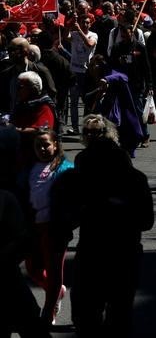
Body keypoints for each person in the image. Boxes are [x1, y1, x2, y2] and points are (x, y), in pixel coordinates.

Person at [58, 115, 153, 337]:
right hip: (124, 254)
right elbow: (146, 222)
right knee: (118, 315)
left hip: (94, 253)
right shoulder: (136, 180)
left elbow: (68, 216)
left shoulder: (82, 179)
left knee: (88, 315)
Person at [0, 126, 51, 338]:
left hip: (8, 274)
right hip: (6, 277)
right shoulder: (7, 195)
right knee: (29, 322)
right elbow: (23, 240)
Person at [25, 129, 73, 326]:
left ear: (55, 144)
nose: (42, 149)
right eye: (38, 146)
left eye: (46, 144)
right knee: (32, 267)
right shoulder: (31, 167)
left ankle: (48, 312)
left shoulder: (65, 168)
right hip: (35, 226)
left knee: (54, 272)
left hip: (55, 228)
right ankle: (57, 291)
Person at [67, 15, 98, 135]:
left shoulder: (93, 35)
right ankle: (74, 127)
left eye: (87, 23)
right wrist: (70, 25)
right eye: (83, 22)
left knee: (87, 101)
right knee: (74, 102)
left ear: (90, 24)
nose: (85, 24)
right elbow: (64, 37)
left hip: (87, 73)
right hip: (75, 71)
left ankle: (87, 127)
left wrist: (79, 30)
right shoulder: (74, 34)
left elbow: (90, 44)